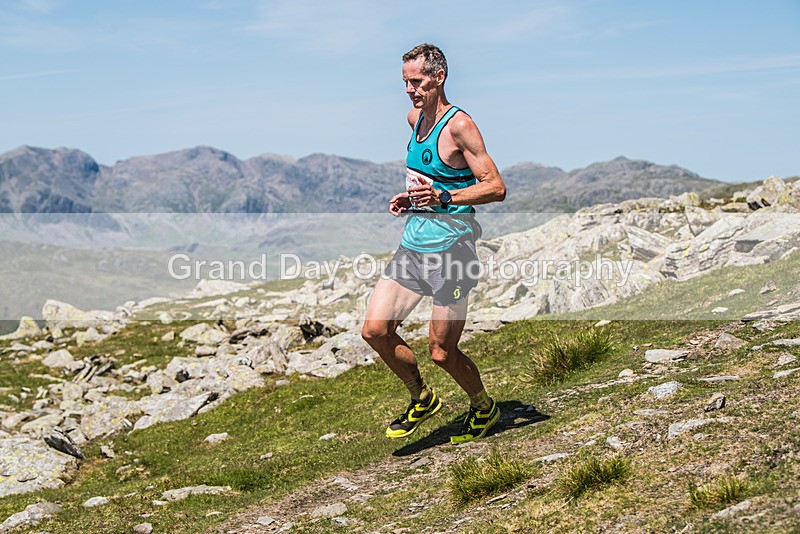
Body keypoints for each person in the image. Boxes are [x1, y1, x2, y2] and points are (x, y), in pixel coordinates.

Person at [361, 43, 507, 444]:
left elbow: (495, 188)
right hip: (413, 247)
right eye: (405, 82)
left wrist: (443, 199)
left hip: (453, 252)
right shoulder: (414, 119)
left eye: (417, 81)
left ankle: (484, 407)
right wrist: (411, 200)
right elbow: (432, 179)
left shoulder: (460, 126)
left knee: (442, 352)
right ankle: (421, 398)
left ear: (438, 77)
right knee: (375, 330)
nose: (410, 90)